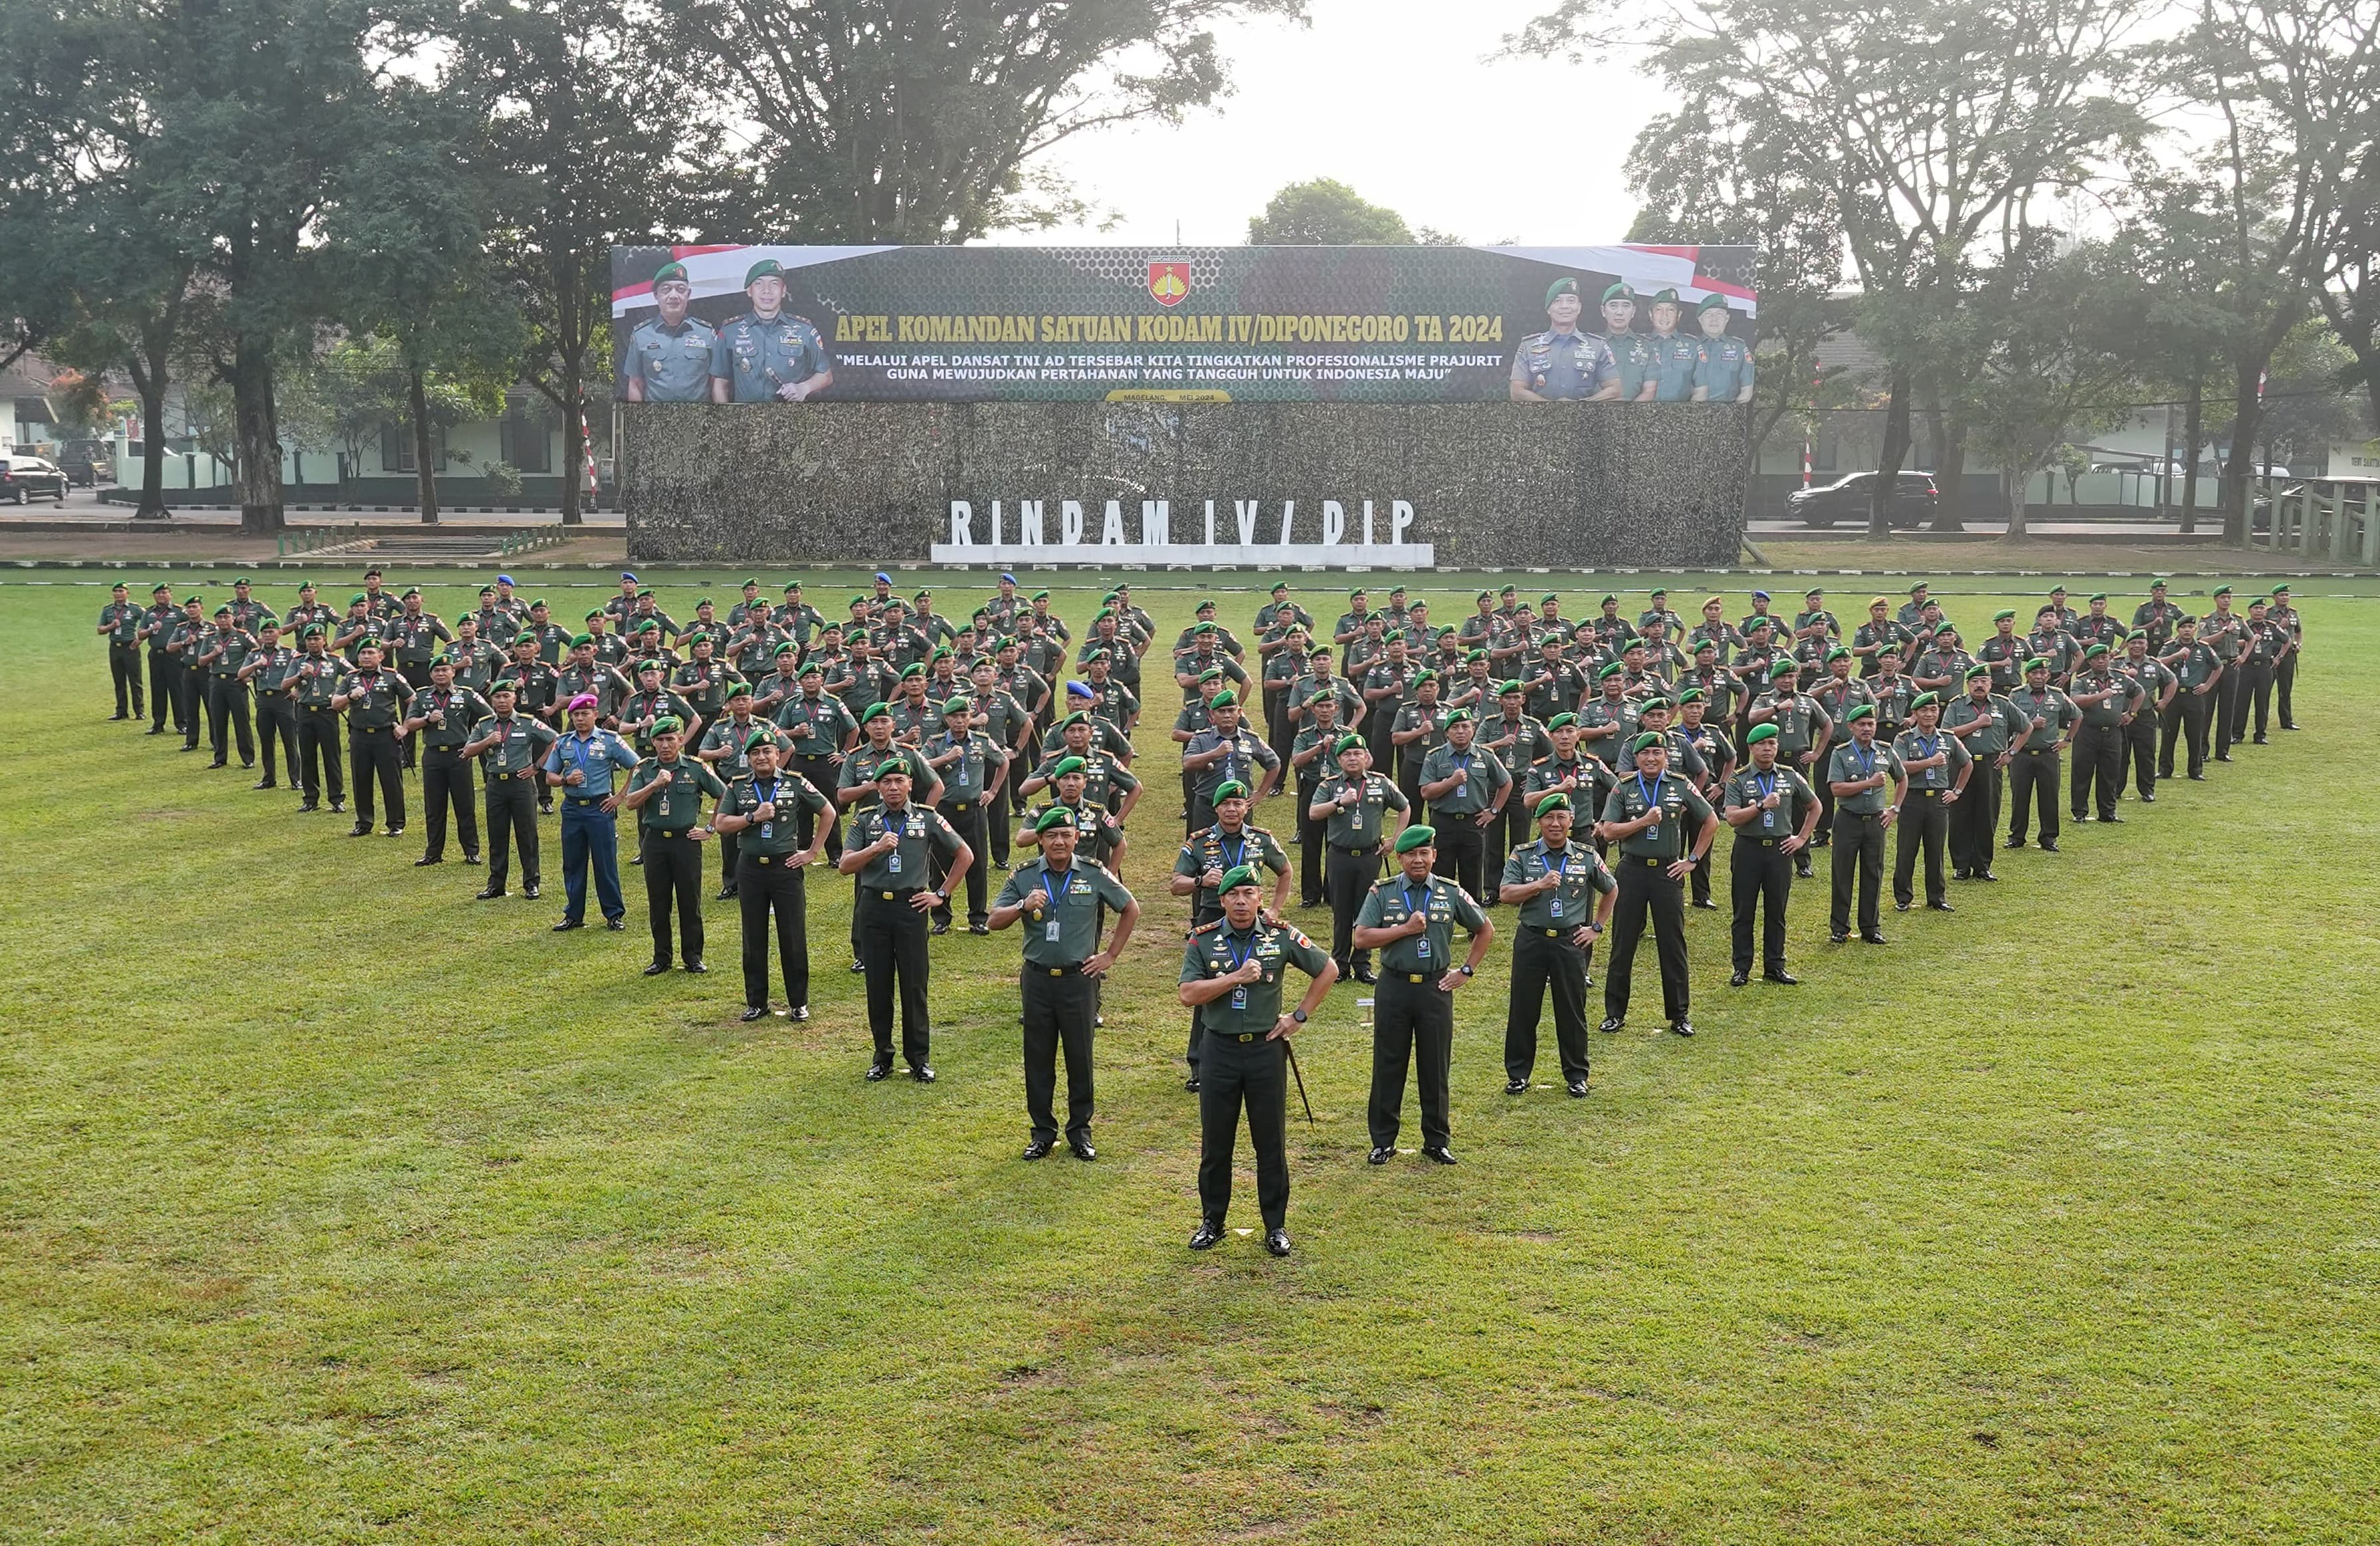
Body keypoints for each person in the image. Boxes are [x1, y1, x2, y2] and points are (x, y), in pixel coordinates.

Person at [1177, 867, 1338, 1257]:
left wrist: (1298, 1017)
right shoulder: (1204, 940)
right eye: (1233, 895)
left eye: (1249, 893)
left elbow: (1328, 969)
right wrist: (1233, 978)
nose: (1241, 901)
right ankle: (1213, 1221)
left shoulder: (1280, 936)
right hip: (1219, 1050)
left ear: (1260, 898)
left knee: (1270, 1141)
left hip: (1266, 1050)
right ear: (1222, 900)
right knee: (1217, 1141)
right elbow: (1188, 994)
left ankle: (1275, 1225)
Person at [991, 808, 1141, 1161]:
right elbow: (994, 919)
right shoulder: (1024, 876)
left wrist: (1110, 955)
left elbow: (1130, 907)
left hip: (1079, 980)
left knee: (1080, 1057)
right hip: (1038, 980)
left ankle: (1080, 1132)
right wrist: (1022, 906)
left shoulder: (1093, 872)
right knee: (1038, 1058)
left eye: (1065, 835)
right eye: (1051, 836)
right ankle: (1042, 1132)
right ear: (1040, 841)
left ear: (1076, 838)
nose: (1059, 841)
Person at [1353, 825, 1493, 1167]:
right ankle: (1383, 1141)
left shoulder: (1450, 891)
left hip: (1435, 988)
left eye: (1424, 853)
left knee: (1435, 1066)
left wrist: (1466, 971)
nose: (1418, 860)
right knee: (1388, 1064)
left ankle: (1436, 1140)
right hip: (1394, 987)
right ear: (1400, 858)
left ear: (1434, 856)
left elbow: (1484, 929)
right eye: (1411, 854)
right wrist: (1404, 929)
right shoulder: (1382, 892)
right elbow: (1361, 938)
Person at [841, 762, 971, 1081]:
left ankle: (919, 1059)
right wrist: (875, 848)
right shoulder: (865, 819)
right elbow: (845, 865)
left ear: (910, 784)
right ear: (878, 787)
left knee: (914, 986)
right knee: (878, 985)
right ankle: (882, 1056)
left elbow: (965, 855)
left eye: (899, 780)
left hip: (911, 907)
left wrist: (941, 894)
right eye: (886, 782)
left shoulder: (927, 818)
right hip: (874, 908)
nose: (893, 787)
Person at [1595, 732, 1717, 1036]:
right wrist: (1644, 822)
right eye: (1645, 754)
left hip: (1668, 873)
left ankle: (1679, 1015)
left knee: (1672, 945)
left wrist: (1692, 860)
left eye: (1657, 753)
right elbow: (1608, 832)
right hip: (1632, 871)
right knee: (1623, 943)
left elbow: (1711, 820)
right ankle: (1615, 1013)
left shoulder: (1680, 784)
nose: (1651, 758)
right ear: (1636, 758)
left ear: (1666, 757)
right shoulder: (1623, 787)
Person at [1172, 781, 1292, 1090]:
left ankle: (1255, 1053)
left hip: (1253, 921)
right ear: (1216, 809)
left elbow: (1285, 871)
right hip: (1213, 919)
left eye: (1238, 803)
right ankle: (1200, 1064)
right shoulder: (1200, 842)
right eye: (1226, 804)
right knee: (1208, 989)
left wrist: (1275, 909)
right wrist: (1200, 881)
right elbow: (1176, 884)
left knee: (1256, 983)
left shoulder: (1261, 839)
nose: (1232, 809)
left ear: (1246, 807)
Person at [1499, 795, 1616, 1097]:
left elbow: (1611, 888)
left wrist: (1597, 928)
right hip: (1532, 939)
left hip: (1570, 941)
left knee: (1572, 1010)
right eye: (1549, 818)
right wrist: (1538, 885)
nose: (1555, 823)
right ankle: (1518, 1074)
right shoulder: (1523, 855)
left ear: (1571, 821)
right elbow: (1506, 894)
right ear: (1539, 822)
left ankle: (1577, 1075)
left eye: (1561, 817)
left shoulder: (1586, 855)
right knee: (1524, 1009)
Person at [713, 733, 831, 1021]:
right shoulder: (738, 786)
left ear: (778, 754)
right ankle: (756, 1002)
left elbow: (827, 812)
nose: (762, 757)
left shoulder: (795, 782)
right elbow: (721, 824)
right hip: (750, 868)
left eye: (767, 751)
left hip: (785, 867)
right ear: (748, 758)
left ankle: (798, 1002)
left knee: (792, 935)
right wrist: (752, 817)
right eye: (755, 753)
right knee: (753, 936)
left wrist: (812, 852)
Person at [620, 716, 730, 975]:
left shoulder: (696, 767)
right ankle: (661, 957)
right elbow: (630, 802)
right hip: (655, 841)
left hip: (686, 841)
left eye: (671, 739)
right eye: (660, 740)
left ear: (681, 740)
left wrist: (710, 828)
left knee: (690, 900)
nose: (665, 745)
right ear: (653, 742)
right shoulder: (645, 769)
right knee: (658, 901)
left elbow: (724, 794)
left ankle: (693, 956)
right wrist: (654, 784)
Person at [1722, 722, 1821, 986]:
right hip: (1748, 849)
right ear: (1751, 748)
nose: (1767, 748)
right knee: (1744, 911)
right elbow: (1732, 818)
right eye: (1762, 744)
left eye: (1772, 744)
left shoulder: (1789, 776)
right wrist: (1760, 806)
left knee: (1776, 911)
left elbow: (1815, 806)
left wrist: (1801, 838)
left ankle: (1775, 966)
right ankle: (1741, 967)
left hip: (1780, 850)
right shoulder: (1739, 779)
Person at [1310, 734, 1409, 985]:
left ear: (1366, 757)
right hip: (1340, 856)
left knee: (1367, 911)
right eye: (1347, 755)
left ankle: (1362, 965)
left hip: (1369, 856)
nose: (1352, 758)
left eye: (1357, 754)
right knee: (1342, 911)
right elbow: (1313, 813)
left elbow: (1404, 807)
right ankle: (1340, 964)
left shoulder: (1380, 782)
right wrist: (1338, 802)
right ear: (1339, 760)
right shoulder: (1329, 786)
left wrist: (1395, 840)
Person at [543, 693, 639, 931]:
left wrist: (620, 797)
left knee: (605, 863)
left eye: (585, 714)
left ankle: (614, 914)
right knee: (573, 863)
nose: (580, 718)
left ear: (595, 714)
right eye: (575, 715)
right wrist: (565, 780)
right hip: (572, 809)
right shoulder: (563, 742)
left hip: (600, 808)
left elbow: (636, 765)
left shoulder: (610, 740)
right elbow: (549, 777)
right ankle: (573, 915)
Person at [464, 678, 554, 900]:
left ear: (514, 698)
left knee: (527, 835)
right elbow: (468, 751)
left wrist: (537, 767)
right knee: (497, 835)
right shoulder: (484, 725)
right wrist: (487, 742)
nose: (502, 700)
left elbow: (555, 740)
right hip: (496, 785)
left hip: (521, 784)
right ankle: (496, 885)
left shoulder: (527, 722)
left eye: (506, 696)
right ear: (491, 700)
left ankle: (531, 883)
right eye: (497, 697)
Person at [1825, 704, 1905, 944]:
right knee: (1843, 874)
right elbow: (1836, 789)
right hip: (1848, 820)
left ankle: (1871, 927)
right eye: (1861, 724)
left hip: (1875, 822)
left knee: (1873, 873)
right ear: (1851, 727)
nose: (1867, 729)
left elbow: (1902, 778)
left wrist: (1894, 809)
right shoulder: (1840, 753)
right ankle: (1840, 927)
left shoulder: (1885, 751)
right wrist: (1868, 783)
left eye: (1870, 724)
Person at [924, 696, 1005, 935]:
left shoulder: (982, 741)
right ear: (946, 719)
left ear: (970, 717)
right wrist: (946, 758)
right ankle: (941, 917)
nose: (959, 721)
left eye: (963, 716)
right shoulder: (936, 742)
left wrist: (993, 791)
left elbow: (1003, 762)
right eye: (954, 717)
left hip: (974, 809)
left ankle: (978, 917)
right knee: (940, 864)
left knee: (978, 864)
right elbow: (921, 764)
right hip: (945, 810)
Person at [401, 656, 490, 866]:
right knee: (434, 807)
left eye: (445, 670)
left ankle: (471, 851)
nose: (441, 674)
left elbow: (489, 717)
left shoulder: (467, 695)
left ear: (453, 672)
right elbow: (409, 724)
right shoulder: (422, 696)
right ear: (431, 674)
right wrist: (427, 719)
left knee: (465, 805)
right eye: (437, 671)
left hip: (459, 755)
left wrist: (475, 742)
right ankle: (433, 853)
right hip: (433, 756)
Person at [1417, 710, 1511, 901]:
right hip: (1443, 821)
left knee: (1473, 875)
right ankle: (1442, 914)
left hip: (1473, 822)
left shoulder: (1485, 755)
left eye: (1465, 727)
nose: (1461, 731)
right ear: (1447, 733)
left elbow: (1506, 782)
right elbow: (1426, 792)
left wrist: (1494, 811)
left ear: (1473, 730)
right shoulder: (1435, 756)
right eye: (1455, 727)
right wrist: (1451, 782)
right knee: (1442, 875)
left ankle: (1473, 917)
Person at [712, 257, 834, 403]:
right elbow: (720, 384)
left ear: (784, 291)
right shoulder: (730, 331)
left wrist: (804, 388)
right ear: (749, 291)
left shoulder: (804, 330)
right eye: (759, 284)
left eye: (774, 284)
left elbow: (826, 375)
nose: (767, 290)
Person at [1891, 692, 1971, 913]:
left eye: (1933, 710)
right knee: (1907, 850)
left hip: (1938, 801)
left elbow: (1967, 763)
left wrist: (1957, 791)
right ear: (1915, 714)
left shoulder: (1948, 738)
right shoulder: (1904, 739)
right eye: (1924, 711)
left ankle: (1937, 897)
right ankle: (1903, 897)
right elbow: (1899, 767)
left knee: (1936, 851)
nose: (1929, 714)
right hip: (1912, 799)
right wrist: (1930, 762)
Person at [334, 640, 413, 837]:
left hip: (386, 735)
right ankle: (364, 822)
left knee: (391, 781)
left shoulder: (392, 676)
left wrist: (405, 726)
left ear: (381, 656)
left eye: (371, 653)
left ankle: (396, 823)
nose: (366, 657)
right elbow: (335, 704)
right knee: (361, 779)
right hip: (359, 735)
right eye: (363, 653)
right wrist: (350, 696)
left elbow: (413, 700)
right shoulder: (351, 678)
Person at [623, 260, 720, 402]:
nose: (674, 296)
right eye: (666, 290)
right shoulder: (641, 335)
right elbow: (635, 385)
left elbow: (716, 382)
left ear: (689, 294)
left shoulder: (706, 333)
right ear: (656, 295)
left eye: (681, 289)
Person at [2005, 659, 2075, 853]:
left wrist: (2067, 739)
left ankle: (2049, 837)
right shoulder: (2016, 695)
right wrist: (2030, 724)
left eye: (2043, 673)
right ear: (2027, 675)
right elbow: (2008, 721)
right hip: (2022, 754)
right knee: (2020, 797)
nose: (2038, 677)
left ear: (2048, 676)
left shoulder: (2058, 695)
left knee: (2049, 797)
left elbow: (2077, 715)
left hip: (2048, 754)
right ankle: (2017, 836)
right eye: (2034, 673)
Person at [1510, 278, 1620, 401]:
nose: (1565, 306)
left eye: (1571, 301)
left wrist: (1582, 406)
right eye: (1557, 301)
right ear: (1548, 309)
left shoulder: (1598, 346)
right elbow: (1517, 391)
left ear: (1579, 307)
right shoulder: (1529, 346)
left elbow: (1615, 389)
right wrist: (1553, 408)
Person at [2066, 642, 2137, 822]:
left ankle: (2108, 812)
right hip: (2087, 732)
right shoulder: (2082, 681)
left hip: (2113, 732)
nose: (2101, 661)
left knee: (2110, 773)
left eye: (2104, 658)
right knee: (2082, 772)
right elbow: (2076, 700)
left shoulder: (2120, 678)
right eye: (2097, 659)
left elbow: (2139, 692)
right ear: (2090, 662)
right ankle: (2079, 812)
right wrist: (2099, 696)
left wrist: (2131, 713)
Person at [241, 619, 302, 793]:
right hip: (263, 699)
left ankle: (296, 779)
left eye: (271, 632)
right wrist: (255, 666)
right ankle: (269, 778)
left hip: (283, 699)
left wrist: (299, 691)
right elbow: (241, 674)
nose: (268, 635)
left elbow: (306, 673)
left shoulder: (290, 653)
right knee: (266, 740)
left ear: (280, 633)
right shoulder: (254, 654)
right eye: (265, 633)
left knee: (290, 740)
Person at [2157, 615, 2222, 782]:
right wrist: (2177, 655)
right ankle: (2165, 769)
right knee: (2168, 733)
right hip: (2173, 696)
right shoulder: (2170, 647)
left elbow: (2218, 666)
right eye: (2184, 627)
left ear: (2195, 630)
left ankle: (2195, 770)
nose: (2187, 630)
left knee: (2195, 734)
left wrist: (2207, 686)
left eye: (2190, 627)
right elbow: (2158, 663)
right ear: (2177, 630)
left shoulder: (2204, 648)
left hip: (2194, 695)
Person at [195, 606, 258, 769]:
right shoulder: (210, 638)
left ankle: (248, 758)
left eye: (226, 617)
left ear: (233, 618)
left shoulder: (243, 636)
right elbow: (201, 661)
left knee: (241, 721)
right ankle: (220, 757)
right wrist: (213, 654)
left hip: (236, 682)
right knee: (218, 721)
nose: (223, 620)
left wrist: (251, 675)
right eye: (220, 617)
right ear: (215, 620)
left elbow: (258, 654)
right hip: (216, 681)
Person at [1690, 294, 1755, 402]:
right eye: (1709, 314)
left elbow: (1747, 392)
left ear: (1727, 318)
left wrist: (1730, 411)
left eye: (1719, 314)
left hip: (1728, 409)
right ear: (1700, 319)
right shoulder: (1689, 346)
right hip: (1693, 408)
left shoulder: (1740, 348)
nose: (1714, 319)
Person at [98, 583, 146, 721]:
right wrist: (111, 626)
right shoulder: (107, 610)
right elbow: (100, 630)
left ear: (127, 593)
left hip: (130, 647)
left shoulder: (135, 609)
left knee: (135, 680)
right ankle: (121, 711)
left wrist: (140, 639)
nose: (118, 594)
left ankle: (139, 711)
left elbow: (148, 621)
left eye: (121, 591)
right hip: (115, 647)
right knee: (119, 681)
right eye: (116, 591)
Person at [2266, 583, 2302, 729]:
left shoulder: (2293, 613)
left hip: (2288, 655)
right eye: (2281, 595)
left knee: (2286, 689)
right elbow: (2262, 631)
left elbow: (2298, 630)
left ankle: (2287, 721)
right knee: (2265, 689)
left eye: (2287, 595)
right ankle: (2262, 722)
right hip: (2271, 652)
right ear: (2274, 597)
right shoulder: (2267, 613)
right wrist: (2279, 626)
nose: (2285, 598)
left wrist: (2298, 644)